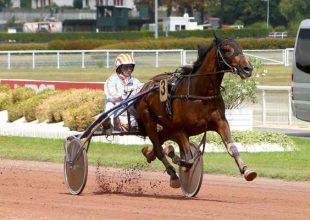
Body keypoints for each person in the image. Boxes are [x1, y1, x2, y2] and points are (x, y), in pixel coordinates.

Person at [103, 53, 143, 131]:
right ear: (119, 68)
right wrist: (123, 96)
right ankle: (108, 127)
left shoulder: (136, 82)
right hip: (117, 110)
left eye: (131, 67)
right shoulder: (111, 80)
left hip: (131, 110)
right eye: (126, 67)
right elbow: (110, 97)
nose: (129, 69)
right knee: (109, 104)